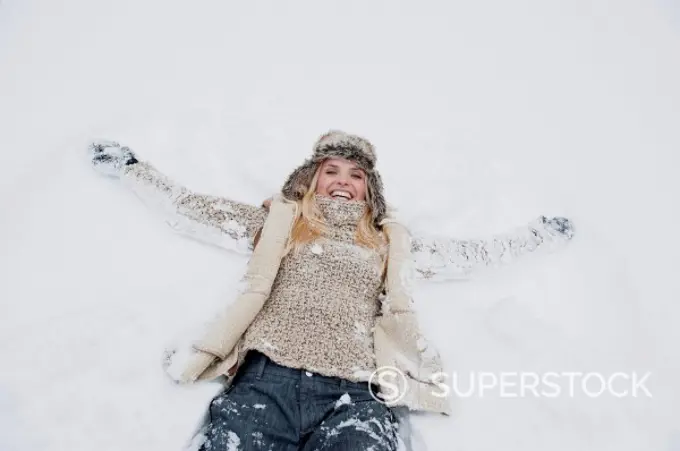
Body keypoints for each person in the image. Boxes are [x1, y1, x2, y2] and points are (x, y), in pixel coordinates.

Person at [89, 131, 574, 451]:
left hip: (354, 395)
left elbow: (470, 254)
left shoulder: (390, 243)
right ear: (312, 179)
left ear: (370, 189)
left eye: (356, 175)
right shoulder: (281, 222)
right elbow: (193, 208)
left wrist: (537, 235)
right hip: (265, 382)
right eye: (332, 171)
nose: (344, 182)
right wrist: (134, 168)